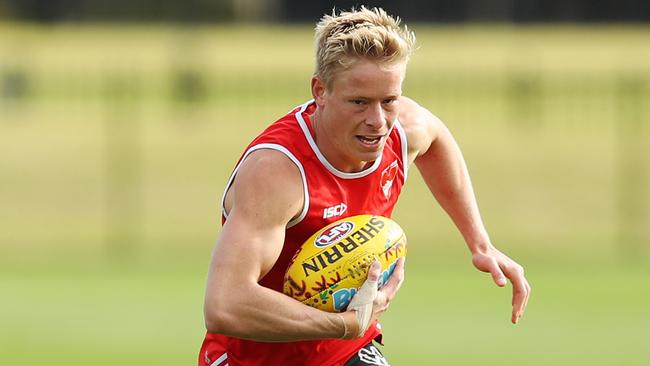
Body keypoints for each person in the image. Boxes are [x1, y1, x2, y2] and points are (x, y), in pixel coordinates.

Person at [199, 6, 530, 366]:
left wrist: (480, 243)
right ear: (320, 91)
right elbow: (225, 304)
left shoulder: (403, 127)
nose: (377, 121)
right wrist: (344, 325)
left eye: (389, 101)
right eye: (359, 102)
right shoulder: (278, 172)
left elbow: (436, 139)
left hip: (346, 354)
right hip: (251, 360)